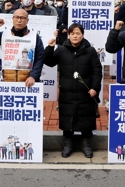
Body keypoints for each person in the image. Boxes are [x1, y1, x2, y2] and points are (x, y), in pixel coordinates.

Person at [43, 23, 103, 158]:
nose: (75, 36)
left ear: (82, 35)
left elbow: (97, 71)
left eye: (78, 33)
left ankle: (86, 144)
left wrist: (94, 88)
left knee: (86, 119)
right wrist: (50, 48)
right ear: (68, 35)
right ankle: (67, 145)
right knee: (67, 118)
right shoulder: (61, 49)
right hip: (67, 92)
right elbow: (49, 62)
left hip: (86, 93)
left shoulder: (90, 51)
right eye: (72, 33)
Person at [0, 8, 44, 86]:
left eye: (22, 18)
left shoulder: (35, 37)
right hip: (7, 81)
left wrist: (33, 76)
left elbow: (39, 58)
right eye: (16, 17)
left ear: (27, 21)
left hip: (28, 83)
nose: (19, 20)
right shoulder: (4, 35)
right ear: (12, 19)